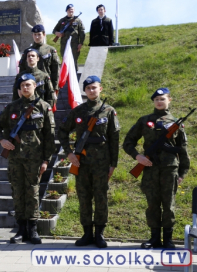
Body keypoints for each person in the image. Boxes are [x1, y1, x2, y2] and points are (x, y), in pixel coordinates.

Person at [0, 75, 56, 244]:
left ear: (34, 86)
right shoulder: (11, 108)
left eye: (28, 85)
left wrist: (46, 160)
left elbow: (49, 137)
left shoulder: (43, 107)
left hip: (34, 159)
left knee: (33, 193)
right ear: (19, 90)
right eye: (22, 86)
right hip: (15, 159)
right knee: (18, 193)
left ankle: (33, 230)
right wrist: (2, 140)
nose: (26, 88)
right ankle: (21, 229)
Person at [123, 88, 190, 249]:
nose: (159, 102)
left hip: (169, 170)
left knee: (169, 205)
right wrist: (138, 157)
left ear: (169, 100)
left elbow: (183, 149)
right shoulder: (144, 120)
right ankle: (154, 238)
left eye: (162, 99)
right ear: (153, 102)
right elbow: (128, 142)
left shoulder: (176, 123)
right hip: (150, 169)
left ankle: (168, 239)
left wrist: (182, 172)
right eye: (156, 99)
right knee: (152, 204)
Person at [58, 76, 120, 248]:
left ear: (100, 88)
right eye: (88, 88)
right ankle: (87, 233)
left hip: (101, 163)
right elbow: (62, 131)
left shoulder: (108, 111)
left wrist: (113, 163)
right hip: (81, 163)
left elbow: (114, 139)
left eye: (94, 87)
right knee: (84, 197)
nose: (92, 91)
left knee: (101, 198)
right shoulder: (78, 111)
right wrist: (69, 153)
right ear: (85, 91)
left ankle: (99, 234)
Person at [19, 24, 60, 91]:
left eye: (39, 34)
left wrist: (55, 87)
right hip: (30, 86)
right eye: (35, 34)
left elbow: (55, 70)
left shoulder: (50, 50)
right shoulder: (27, 51)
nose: (37, 37)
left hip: (46, 85)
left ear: (44, 34)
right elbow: (22, 69)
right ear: (32, 35)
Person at [53, 4, 85, 71]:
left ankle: (74, 77)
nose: (71, 11)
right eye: (69, 9)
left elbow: (82, 32)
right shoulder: (62, 20)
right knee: (65, 60)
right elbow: (54, 30)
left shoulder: (78, 20)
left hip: (74, 44)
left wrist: (81, 43)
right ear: (66, 10)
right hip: (64, 44)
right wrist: (57, 33)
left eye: (72, 9)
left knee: (74, 60)